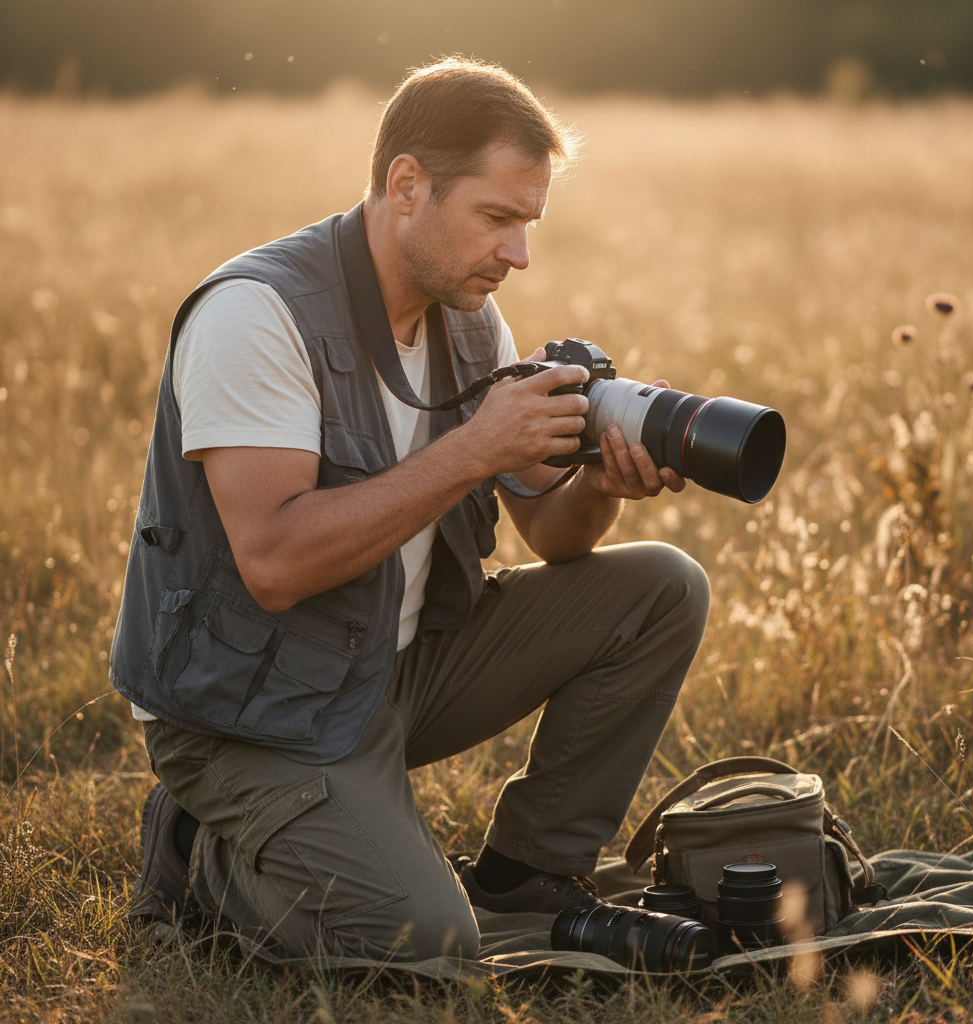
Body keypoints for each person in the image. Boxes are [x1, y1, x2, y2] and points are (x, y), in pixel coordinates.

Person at [112, 56, 710, 963]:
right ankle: (205, 853)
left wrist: (597, 484)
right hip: (252, 707)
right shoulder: (255, 313)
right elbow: (273, 563)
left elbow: (550, 536)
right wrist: (474, 447)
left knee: (662, 585)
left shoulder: (469, 319)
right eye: (497, 218)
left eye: (530, 222)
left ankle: (528, 873)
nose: (519, 254)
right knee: (427, 945)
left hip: (392, 671)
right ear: (406, 185)